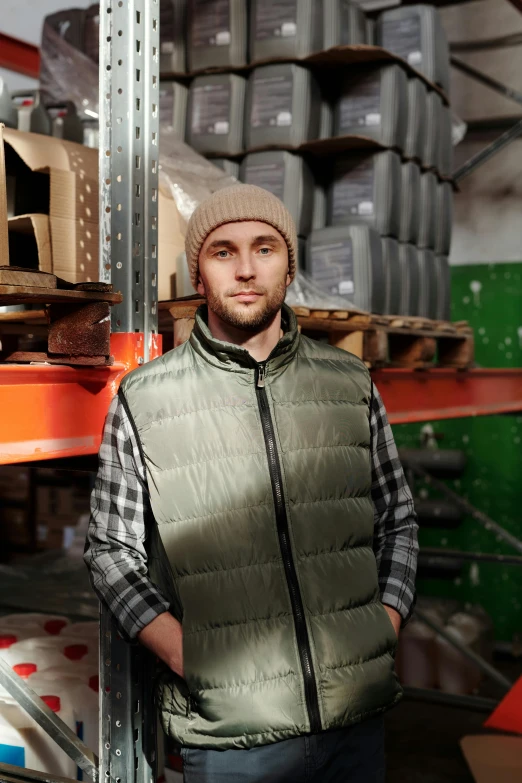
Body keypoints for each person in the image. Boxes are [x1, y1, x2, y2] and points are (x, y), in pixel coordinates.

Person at [85, 184, 418, 783]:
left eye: (264, 248)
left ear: (288, 265)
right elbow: (111, 552)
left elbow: (398, 519)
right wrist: (190, 656)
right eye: (223, 251)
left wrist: (383, 624)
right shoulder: (146, 399)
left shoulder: (349, 383)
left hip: (356, 719)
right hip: (233, 739)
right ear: (198, 272)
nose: (245, 269)